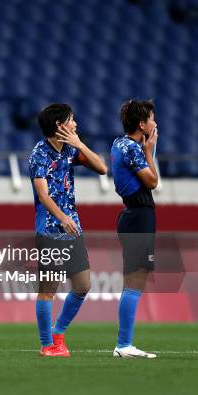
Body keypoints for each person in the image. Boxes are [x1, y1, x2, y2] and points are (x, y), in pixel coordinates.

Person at [28, 103, 108, 357]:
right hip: (51, 229)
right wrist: (62, 217)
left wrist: (81, 144)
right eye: (72, 120)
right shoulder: (39, 154)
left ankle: (58, 332)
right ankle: (47, 345)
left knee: (83, 285)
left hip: (72, 227)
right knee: (48, 290)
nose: (76, 124)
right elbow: (43, 194)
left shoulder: (71, 151)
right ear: (59, 125)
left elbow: (102, 168)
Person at [110, 99, 159, 358]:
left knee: (133, 281)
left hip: (132, 215)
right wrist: (150, 151)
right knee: (134, 282)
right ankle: (124, 344)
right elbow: (152, 181)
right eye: (151, 118)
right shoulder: (133, 148)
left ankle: (124, 343)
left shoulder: (120, 143)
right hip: (139, 216)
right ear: (142, 124)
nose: (155, 123)